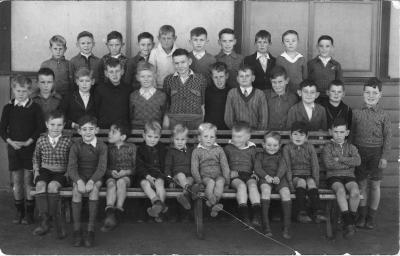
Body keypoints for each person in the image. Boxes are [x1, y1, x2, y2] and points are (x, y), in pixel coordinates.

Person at [0, 75, 44, 225]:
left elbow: (40, 128)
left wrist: (28, 142)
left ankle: (30, 214)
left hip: (30, 148)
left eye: (24, 91)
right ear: (13, 90)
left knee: (28, 181)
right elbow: (2, 129)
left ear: (29, 91)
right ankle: (20, 211)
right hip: (14, 149)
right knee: (17, 181)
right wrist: (11, 142)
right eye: (18, 90)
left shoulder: (35, 108)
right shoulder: (8, 108)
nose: (21, 93)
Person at [352, 77, 392, 229]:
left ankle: (371, 217)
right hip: (359, 154)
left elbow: (388, 137)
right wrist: (352, 155)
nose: (371, 96)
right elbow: (351, 136)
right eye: (367, 92)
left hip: (376, 154)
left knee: (375, 185)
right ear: (363, 94)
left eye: (374, 93)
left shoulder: (384, 115)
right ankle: (361, 217)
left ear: (380, 95)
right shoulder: (356, 113)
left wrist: (384, 157)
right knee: (362, 185)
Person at [67, 115, 107, 247]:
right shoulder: (76, 146)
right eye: (84, 129)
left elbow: (101, 168)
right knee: (76, 192)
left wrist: (91, 181)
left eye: (91, 129)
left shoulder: (102, 146)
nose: (88, 132)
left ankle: (90, 230)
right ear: (79, 131)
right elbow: (72, 168)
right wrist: (78, 181)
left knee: (94, 190)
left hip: (95, 177)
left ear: (97, 130)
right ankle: (77, 230)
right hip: (79, 176)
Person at [32, 110, 72, 239]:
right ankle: (44, 221)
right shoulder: (41, 140)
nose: (56, 128)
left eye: (59, 125)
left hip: (61, 172)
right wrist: (36, 171)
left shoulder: (67, 141)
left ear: (64, 125)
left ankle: (55, 220)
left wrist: (67, 174)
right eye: (53, 124)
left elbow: (72, 161)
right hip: (44, 170)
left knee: (53, 187)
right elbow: (36, 157)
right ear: (47, 124)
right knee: (40, 185)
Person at [322, 118, 361, 238]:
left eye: (342, 132)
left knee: (355, 192)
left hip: (349, 176)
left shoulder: (351, 147)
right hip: (333, 177)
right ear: (331, 132)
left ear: (347, 133)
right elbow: (329, 164)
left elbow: (358, 161)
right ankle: (349, 223)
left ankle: (350, 220)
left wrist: (340, 159)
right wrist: (348, 162)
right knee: (340, 190)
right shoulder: (328, 147)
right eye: (336, 132)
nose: (339, 135)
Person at [283, 121, 326, 223]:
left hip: (308, 175)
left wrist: (316, 182)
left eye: (302, 135)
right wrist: (290, 183)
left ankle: (318, 212)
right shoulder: (287, 148)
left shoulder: (310, 147)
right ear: (290, 135)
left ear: (306, 136)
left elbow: (315, 165)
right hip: (294, 177)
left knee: (310, 182)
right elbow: (287, 167)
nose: (298, 137)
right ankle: (301, 212)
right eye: (295, 134)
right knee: (301, 182)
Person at [254, 131, 292, 239]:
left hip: (279, 179)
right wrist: (266, 177)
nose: (272, 148)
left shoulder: (280, 156)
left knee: (286, 193)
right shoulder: (260, 155)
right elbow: (257, 168)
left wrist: (278, 177)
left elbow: (283, 167)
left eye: (275, 145)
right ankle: (266, 226)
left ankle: (286, 227)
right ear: (263, 144)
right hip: (265, 178)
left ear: (280, 145)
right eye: (269, 145)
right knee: (265, 190)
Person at [101, 122, 136, 232]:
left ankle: (118, 211)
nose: (109, 134)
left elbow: (136, 167)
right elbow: (104, 167)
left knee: (121, 182)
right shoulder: (107, 148)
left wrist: (125, 172)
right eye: (110, 131)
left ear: (123, 137)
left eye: (113, 132)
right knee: (111, 185)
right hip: (111, 175)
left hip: (126, 176)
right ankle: (110, 213)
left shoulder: (131, 147)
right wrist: (111, 172)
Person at [224, 122, 261, 226]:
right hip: (235, 176)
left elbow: (256, 164)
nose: (235, 139)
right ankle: (244, 217)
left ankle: (256, 215)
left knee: (253, 185)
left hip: (249, 174)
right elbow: (223, 164)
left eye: (239, 137)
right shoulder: (228, 148)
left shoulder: (252, 149)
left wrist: (255, 173)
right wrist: (229, 172)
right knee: (241, 186)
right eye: (233, 136)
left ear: (248, 137)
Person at [191, 123, 230, 217]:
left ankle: (212, 203)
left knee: (220, 182)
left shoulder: (219, 149)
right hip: (205, 177)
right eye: (206, 136)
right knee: (211, 182)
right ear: (200, 138)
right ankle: (215, 204)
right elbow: (194, 168)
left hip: (218, 175)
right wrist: (199, 182)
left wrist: (227, 181)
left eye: (212, 137)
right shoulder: (196, 151)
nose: (209, 139)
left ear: (215, 138)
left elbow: (225, 166)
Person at [163, 48, 207, 129]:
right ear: (173, 64)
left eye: (183, 62)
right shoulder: (168, 80)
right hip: (175, 119)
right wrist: (166, 119)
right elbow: (167, 103)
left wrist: (202, 119)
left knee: (194, 141)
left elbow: (203, 103)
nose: (180, 66)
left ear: (189, 62)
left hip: (195, 119)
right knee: (177, 141)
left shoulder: (200, 79)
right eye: (176, 63)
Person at [136, 120, 168, 222]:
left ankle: (159, 212)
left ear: (160, 137)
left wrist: (163, 176)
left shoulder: (162, 148)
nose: (152, 140)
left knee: (160, 184)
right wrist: (147, 176)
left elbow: (165, 165)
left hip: (159, 175)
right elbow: (139, 166)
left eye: (156, 137)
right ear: (144, 135)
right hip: (145, 176)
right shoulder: (141, 149)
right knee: (145, 184)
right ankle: (157, 203)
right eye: (150, 136)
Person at [165, 124, 199, 212]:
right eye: (177, 139)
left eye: (182, 139)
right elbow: (167, 167)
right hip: (176, 178)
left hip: (187, 178)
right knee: (181, 175)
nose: (180, 142)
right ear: (173, 139)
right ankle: (190, 190)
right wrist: (169, 181)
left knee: (190, 179)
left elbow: (194, 164)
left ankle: (185, 196)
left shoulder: (190, 151)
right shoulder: (171, 152)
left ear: (186, 140)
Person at [224, 64, 269, 130]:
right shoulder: (232, 93)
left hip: (255, 134)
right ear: (237, 79)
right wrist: (238, 131)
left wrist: (256, 133)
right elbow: (228, 119)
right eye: (241, 76)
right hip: (238, 134)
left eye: (247, 76)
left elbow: (264, 120)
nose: (244, 78)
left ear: (253, 78)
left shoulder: (260, 94)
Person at [95, 58, 132, 129]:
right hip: (104, 129)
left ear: (122, 71)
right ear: (106, 73)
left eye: (117, 71)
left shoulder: (129, 89)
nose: (114, 74)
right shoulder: (100, 89)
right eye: (111, 72)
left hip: (122, 129)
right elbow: (96, 110)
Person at [129, 62, 167, 129]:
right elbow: (130, 115)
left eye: (149, 76)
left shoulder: (162, 96)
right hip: (136, 133)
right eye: (142, 76)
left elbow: (164, 116)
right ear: (137, 77)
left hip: (155, 134)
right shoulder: (133, 96)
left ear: (154, 76)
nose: (146, 79)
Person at [307, 35, 343, 102]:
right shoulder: (311, 63)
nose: (324, 49)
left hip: (331, 98)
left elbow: (340, 83)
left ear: (332, 47)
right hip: (314, 98)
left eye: (327, 46)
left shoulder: (336, 65)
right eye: (321, 46)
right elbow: (307, 81)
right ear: (317, 47)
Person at [264, 65, 298, 130]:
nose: (277, 85)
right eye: (274, 82)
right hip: (268, 134)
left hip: (286, 134)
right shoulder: (264, 95)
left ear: (287, 80)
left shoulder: (293, 98)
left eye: (280, 82)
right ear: (270, 81)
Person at [276, 30, 307, 94]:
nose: (290, 43)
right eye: (287, 41)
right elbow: (277, 77)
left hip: (299, 91)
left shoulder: (301, 58)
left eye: (293, 41)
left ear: (298, 42)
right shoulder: (280, 59)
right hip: (284, 92)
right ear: (283, 43)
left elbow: (305, 77)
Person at [204, 62, 230, 130]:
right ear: (212, 77)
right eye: (216, 77)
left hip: (227, 130)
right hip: (210, 130)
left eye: (221, 77)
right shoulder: (206, 91)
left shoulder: (232, 92)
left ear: (226, 76)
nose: (219, 80)